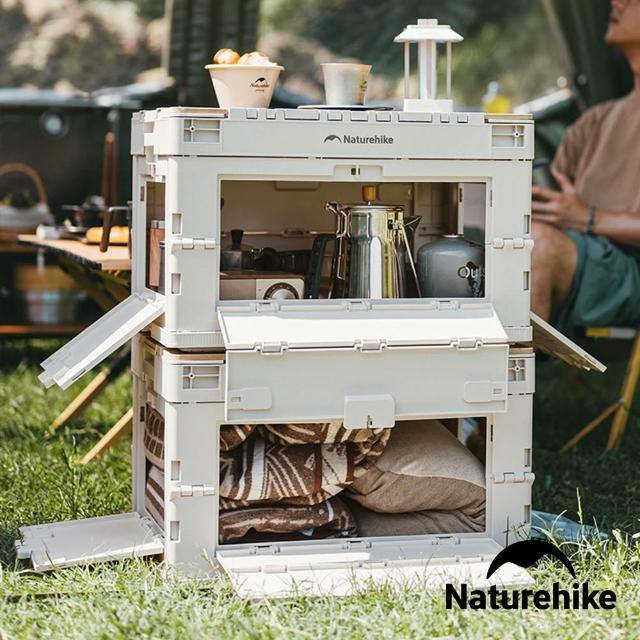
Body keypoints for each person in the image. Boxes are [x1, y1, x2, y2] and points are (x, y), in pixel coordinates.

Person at [531, 0, 640, 330]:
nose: (616, 2)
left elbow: (567, 224)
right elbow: (552, 210)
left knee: (538, 246)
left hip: (630, 272)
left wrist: (589, 217)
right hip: (584, 260)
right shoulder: (593, 123)